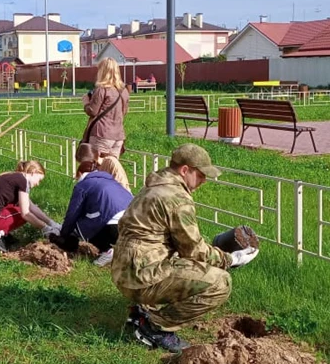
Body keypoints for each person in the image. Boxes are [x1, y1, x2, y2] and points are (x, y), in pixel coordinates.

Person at [111, 144, 259, 352]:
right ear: (185, 170)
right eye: (200, 175)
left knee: (186, 265)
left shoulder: (154, 186)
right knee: (220, 283)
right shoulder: (177, 198)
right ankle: (156, 327)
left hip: (125, 270)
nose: (204, 181)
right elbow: (194, 250)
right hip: (141, 276)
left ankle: (141, 309)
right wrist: (231, 259)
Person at [50, 147, 133, 267]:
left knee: (82, 224)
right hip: (134, 221)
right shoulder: (110, 180)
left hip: (115, 227)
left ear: (79, 174)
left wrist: (63, 234)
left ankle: (107, 251)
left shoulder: (82, 186)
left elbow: (72, 214)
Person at [0, 161, 61, 252]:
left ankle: (3, 234)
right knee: (25, 213)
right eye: (39, 180)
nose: (38, 184)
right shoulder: (23, 181)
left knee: (19, 207)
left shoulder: (13, 176)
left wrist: (51, 223)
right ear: (33, 172)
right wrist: (46, 228)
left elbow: (31, 206)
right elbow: (26, 213)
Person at [83, 58, 129, 157]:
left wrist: (86, 102)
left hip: (101, 134)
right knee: (111, 165)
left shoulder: (102, 89)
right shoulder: (124, 91)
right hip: (118, 135)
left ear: (102, 72)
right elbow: (124, 112)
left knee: (97, 164)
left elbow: (92, 111)